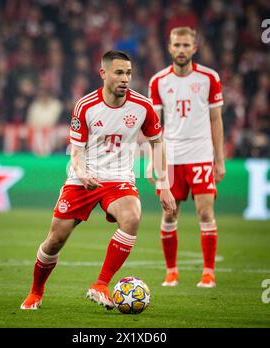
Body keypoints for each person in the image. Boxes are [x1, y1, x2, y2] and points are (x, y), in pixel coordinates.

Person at [20, 50, 176, 310]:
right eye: (119, 72)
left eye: (128, 73)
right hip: (83, 179)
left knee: (132, 218)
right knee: (55, 238)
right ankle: (36, 292)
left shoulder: (143, 106)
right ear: (104, 74)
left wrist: (165, 185)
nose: (125, 78)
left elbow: (157, 144)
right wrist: (81, 172)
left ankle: (101, 284)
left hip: (119, 179)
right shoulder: (85, 105)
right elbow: (76, 152)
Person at [147, 27, 225, 288]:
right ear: (170, 48)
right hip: (171, 155)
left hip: (201, 153)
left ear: (194, 47)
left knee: (205, 212)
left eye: (185, 45)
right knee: (169, 215)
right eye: (177, 45)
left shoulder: (209, 78)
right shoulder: (158, 81)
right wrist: (152, 160)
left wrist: (220, 159)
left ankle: (208, 273)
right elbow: (154, 125)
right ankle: (171, 272)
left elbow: (216, 119)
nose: (181, 50)